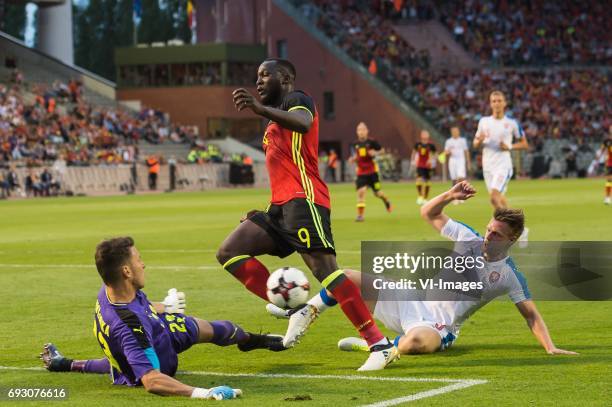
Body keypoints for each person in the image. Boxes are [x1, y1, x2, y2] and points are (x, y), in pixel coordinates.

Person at [218, 59, 397, 371]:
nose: (258, 81)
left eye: (265, 75)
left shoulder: (297, 99)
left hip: (306, 200)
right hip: (280, 207)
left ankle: (379, 345)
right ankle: (288, 306)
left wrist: (259, 109)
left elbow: (302, 123)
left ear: (285, 77)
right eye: (256, 75)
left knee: (326, 271)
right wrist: (266, 210)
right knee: (229, 252)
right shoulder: (273, 119)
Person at [269, 182, 577, 359]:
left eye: (496, 234)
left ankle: (379, 345)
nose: (487, 236)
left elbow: (531, 315)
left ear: (511, 240)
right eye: (488, 229)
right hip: (410, 300)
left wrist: (550, 347)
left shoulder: (509, 277)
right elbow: (428, 212)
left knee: (415, 344)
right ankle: (305, 313)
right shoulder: (467, 237)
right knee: (346, 277)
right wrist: (448, 196)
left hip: (439, 326)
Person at [40, 237, 284, 399]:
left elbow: (139, 308)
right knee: (140, 363)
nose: (143, 264)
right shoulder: (130, 326)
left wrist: (164, 306)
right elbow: (152, 381)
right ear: (126, 271)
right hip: (160, 356)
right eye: (138, 260)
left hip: (149, 334)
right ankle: (248, 339)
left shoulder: (110, 290)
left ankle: (249, 340)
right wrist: (203, 393)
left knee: (223, 329)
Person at [473, 91, 528, 210]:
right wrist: (479, 141)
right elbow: (475, 144)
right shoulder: (484, 122)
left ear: (504, 103)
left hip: (503, 165)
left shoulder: (511, 123)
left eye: (499, 101)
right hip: (487, 165)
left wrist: (510, 146)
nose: (496, 104)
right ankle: (518, 226)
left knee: (494, 198)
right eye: (494, 101)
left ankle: (505, 227)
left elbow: (525, 144)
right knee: (499, 199)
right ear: (490, 104)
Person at [349, 122, 392, 221]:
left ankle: (386, 201)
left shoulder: (372, 142)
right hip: (361, 173)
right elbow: (357, 156)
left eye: (363, 129)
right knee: (361, 192)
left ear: (367, 131)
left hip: (372, 172)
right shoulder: (355, 144)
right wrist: (353, 159)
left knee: (378, 193)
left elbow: (382, 151)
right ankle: (360, 216)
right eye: (359, 130)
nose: (361, 132)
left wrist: (375, 152)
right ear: (357, 132)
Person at [444, 126, 470, 201]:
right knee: (454, 179)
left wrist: (468, 162)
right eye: (453, 131)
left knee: (461, 177)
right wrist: (448, 152)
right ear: (451, 132)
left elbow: (466, 151)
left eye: (456, 131)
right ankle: (453, 196)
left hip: (461, 160)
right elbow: (445, 152)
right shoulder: (448, 141)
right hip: (452, 161)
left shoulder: (462, 140)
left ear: (458, 132)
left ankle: (462, 195)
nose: (455, 132)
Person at [412, 130, 436, 205]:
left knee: (427, 181)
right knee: (419, 179)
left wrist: (431, 159)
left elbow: (435, 154)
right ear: (421, 136)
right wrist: (412, 160)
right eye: (424, 135)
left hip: (428, 165)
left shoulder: (431, 145)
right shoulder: (418, 144)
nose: (425, 136)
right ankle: (420, 196)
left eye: (426, 135)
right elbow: (414, 152)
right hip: (420, 165)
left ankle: (425, 198)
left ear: (428, 136)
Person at [597, 132, 611, 205]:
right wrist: (598, 158)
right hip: (610, 163)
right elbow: (601, 150)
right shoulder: (607, 141)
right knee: (609, 180)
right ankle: (607, 197)